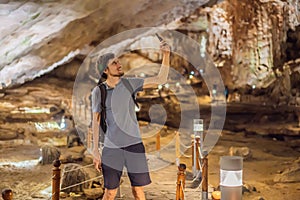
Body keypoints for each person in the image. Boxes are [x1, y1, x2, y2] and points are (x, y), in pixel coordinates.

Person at [92, 40, 170, 200]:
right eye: (114, 63)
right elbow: (96, 121)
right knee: (110, 192)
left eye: (118, 61)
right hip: (112, 148)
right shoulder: (99, 92)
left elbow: (161, 79)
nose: (119, 65)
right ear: (106, 70)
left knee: (138, 190)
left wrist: (166, 55)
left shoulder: (130, 84)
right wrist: (95, 151)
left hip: (134, 145)